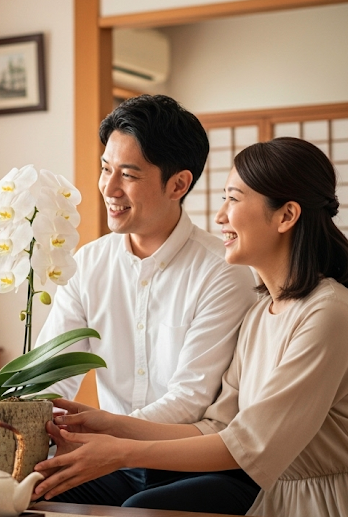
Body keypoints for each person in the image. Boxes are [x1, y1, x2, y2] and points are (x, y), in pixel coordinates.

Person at [34, 137, 348, 516]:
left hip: (315, 501)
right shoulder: (261, 313)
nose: (220, 217)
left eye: (233, 199)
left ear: (286, 216)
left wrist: (121, 450)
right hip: (271, 496)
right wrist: (109, 424)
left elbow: (251, 443)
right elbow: (220, 425)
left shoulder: (328, 313)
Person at [33, 95, 259, 512]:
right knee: (22, 494)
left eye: (128, 174)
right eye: (106, 169)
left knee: (139, 507)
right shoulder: (87, 264)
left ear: (178, 185)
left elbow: (190, 400)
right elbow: (49, 375)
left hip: (193, 464)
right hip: (112, 461)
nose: (109, 188)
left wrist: (100, 435)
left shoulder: (222, 271)